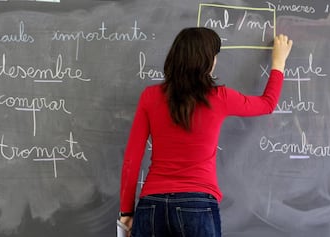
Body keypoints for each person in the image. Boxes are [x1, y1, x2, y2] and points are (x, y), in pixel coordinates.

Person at [119, 27, 293, 237]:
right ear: (206, 60)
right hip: (197, 204)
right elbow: (267, 104)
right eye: (214, 56)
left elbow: (132, 158)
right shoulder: (219, 97)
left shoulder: (150, 96)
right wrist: (278, 62)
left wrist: (127, 211)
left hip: (152, 205)